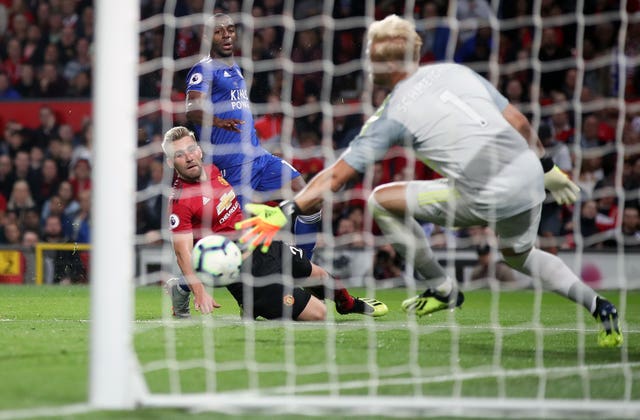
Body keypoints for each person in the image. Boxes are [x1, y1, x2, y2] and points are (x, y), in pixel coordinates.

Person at [235, 15, 623, 347]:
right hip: (529, 179)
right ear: (417, 51)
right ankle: (598, 305)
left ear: (374, 64)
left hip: (486, 193)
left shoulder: (393, 113)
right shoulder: (456, 71)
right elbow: (519, 122)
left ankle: (441, 286)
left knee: (379, 200)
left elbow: (336, 176)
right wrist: (549, 169)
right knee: (520, 254)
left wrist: (285, 212)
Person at [162, 126, 387, 320]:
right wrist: (200, 292)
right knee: (319, 314)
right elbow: (183, 253)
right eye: (180, 154)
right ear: (172, 162)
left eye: (191, 149)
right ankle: (252, 304)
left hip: (262, 244)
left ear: (199, 150)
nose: (189, 157)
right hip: (244, 274)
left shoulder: (212, 170)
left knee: (321, 277)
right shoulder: (181, 201)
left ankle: (348, 305)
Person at [184, 13, 321, 258]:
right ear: (207, 36)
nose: (226, 35)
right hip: (232, 166)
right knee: (232, 244)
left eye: (230, 29)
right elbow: (193, 109)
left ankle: (303, 266)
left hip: (260, 158)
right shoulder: (204, 68)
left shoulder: (236, 68)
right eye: (218, 31)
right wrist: (218, 122)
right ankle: (183, 285)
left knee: (309, 197)